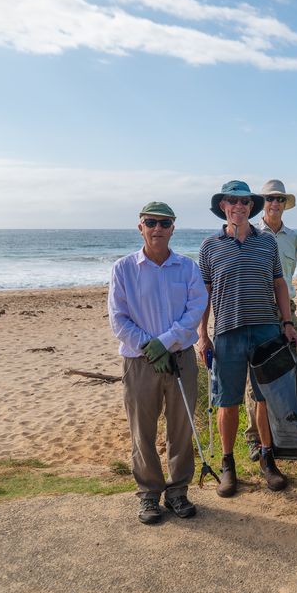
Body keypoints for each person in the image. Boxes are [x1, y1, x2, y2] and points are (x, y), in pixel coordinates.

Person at [108, 202, 207, 524]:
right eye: (151, 222)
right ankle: (149, 495)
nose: (157, 228)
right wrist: (151, 348)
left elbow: (194, 312)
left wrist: (164, 343)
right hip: (139, 362)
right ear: (141, 227)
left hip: (181, 359)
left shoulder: (187, 268)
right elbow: (118, 318)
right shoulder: (123, 268)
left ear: (173, 228)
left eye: (164, 223)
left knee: (181, 429)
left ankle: (178, 491)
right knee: (142, 431)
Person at [197, 181, 297, 497]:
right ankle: (228, 467)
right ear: (223, 208)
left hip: (266, 329)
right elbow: (204, 293)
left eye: (244, 203)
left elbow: (279, 284)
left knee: (263, 397)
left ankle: (268, 459)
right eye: (232, 202)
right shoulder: (209, 246)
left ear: (250, 208)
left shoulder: (267, 244)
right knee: (227, 401)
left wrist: (287, 322)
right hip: (227, 332)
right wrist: (203, 335)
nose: (239, 208)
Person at [242, 179, 297, 462]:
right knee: (256, 376)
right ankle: (255, 438)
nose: (275, 203)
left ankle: (290, 425)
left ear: (285, 204)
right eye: (270, 198)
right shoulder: (251, 233)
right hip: (259, 309)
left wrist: (287, 314)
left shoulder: (291, 237)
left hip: (288, 309)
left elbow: (288, 275)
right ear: (263, 202)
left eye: (280, 199)